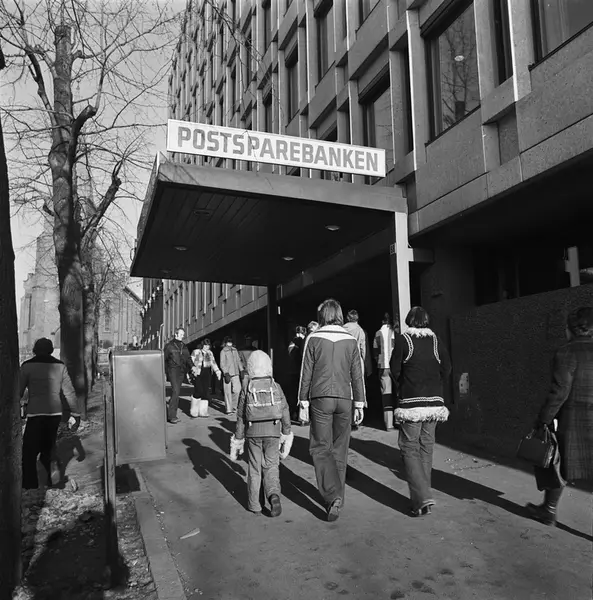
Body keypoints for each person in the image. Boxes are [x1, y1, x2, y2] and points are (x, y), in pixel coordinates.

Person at [298, 298, 365, 522]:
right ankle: (338, 497)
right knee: (340, 448)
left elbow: (306, 373)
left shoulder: (313, 338)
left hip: (321, 396)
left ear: (322, 315)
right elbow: (357, 374)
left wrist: (302, 401)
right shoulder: (350, 339)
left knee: (320, 447)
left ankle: (332, 495)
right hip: (345, 398)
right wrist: (359, 402)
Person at [527, 306, 593, 526]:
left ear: (570, 329)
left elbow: (560, 391)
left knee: (558, 463)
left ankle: (549, 510)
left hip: (574, 421)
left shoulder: (566, 353)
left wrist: (543, 420)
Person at [390, 307, 451, 517]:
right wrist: (436, 384)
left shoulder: (403, 340)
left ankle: (422, 497)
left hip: (412, 402)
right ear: (426, 320)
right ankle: (425, 495)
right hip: (434, 402)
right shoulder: (436, 341)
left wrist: (403, 386)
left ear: (409, 320)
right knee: (426, 446)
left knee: (409, 447)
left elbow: (394, 369)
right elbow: (447, 368)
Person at [230, 350, 293, 516]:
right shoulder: (275, 386)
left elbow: (241, 416)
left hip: (253, 433)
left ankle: (255, 505)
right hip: (273, 431)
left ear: (250, 367)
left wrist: (238, 438)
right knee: (271, 465)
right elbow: (285, 409)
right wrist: (286, 431)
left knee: (255, 468)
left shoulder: (247, 387)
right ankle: (273, 495)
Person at [20, 338, 80, 489]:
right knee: (48, 447)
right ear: (51, 350)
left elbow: (18, 391)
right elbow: (69, 392)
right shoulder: (60, 366)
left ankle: (30, 484)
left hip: (35, 413)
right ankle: (52, 479)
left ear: (35, 350)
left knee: (29, 451)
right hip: (54, 413)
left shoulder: (27, 366)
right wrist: (75, 413)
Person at [164, 328, 197, 424]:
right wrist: (165, 372)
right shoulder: (169, 346)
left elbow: (188, 358)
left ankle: (172, 412)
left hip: (181, 371)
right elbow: (164, 359)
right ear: (176, 334)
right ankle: (172, 416)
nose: (183, 336)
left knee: (176, 392)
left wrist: (193, 366)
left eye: (183, 334)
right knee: (175, 391)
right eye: (181, 334)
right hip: (173, 370)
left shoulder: (184, 346)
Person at [344, 310, 367, 431]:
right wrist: (365, 363)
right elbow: (363, 349)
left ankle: (345, 418)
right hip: (357, 361)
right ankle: (356, 418)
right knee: (357, 388)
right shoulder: (360, 331)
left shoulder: (342, 329)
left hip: (344, 361)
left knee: (346, 389)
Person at [374, 312, 397, 430]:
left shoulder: (378, 333)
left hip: (383, 366)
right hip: (395, 366)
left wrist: (378, 361)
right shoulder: (395, 333)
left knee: (386, 394)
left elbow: (375, 351)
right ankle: (399, 419)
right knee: (398, 392)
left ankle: (389, 424)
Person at [190, 339, 221, 418]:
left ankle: (203, 411)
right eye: (205, 345)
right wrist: (191, 372)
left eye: (208, 345)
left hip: (207, 372)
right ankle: (194, 410)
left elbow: (213, 363)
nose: (207, 347)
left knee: (205, 392)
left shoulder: (210, 353)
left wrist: (217, 371)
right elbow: (190, 362)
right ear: (202, 345)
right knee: (198, 390)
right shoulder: (196, 352)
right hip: (197, 373)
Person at [287, 325, 307, 420]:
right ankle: (300, 414)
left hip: (292, 371)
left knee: (293, 394)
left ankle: (294, 413)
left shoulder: (292, 342)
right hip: (299, 371)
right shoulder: (300, 342)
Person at [220, 336, 242, 415]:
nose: (229, 343)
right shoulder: (223, 351)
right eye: (228, 342)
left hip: (236, 373)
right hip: (227, 374)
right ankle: (229, 409)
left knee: (237, 390)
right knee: (227, 392)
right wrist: (225, 372)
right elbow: (222, 363)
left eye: (231, 342)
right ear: (225, 343)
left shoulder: (235, 350)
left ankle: (234, 406)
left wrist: (241, 370)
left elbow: (238, 361)